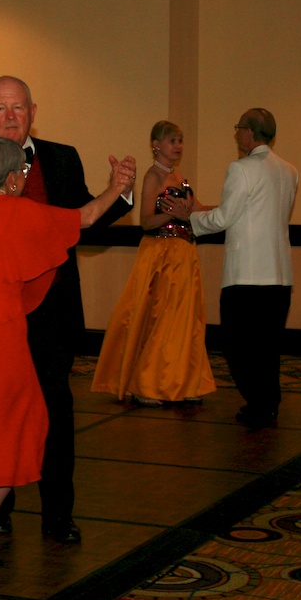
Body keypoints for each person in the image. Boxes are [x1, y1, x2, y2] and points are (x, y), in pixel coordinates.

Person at [0, 76, 135, 543]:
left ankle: (57, 517)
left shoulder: (62, 156)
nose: (10, 116)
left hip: (50, 310)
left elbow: (84, 219)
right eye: (0, 109)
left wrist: (123, 191)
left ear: (34, 111)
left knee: (51, 411)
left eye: (18, 108)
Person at [185, 109, 298, 428]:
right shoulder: (289, 171)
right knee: (268, 346)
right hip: (280, 273)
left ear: (250, 133)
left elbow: (224, 219)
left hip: (247, 274)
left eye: (238, 128)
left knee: (237, 345)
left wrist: (190, 218)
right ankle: (268, 403)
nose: (236, 134)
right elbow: (256, 214)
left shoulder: (240, 169)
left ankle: (258, 403)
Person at [91, 121, 216, 405]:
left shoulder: (178, 175)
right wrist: (174, 216)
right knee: (161, 317)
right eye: (173, 140)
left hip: (183, 255)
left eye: (181, 140)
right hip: (161, 254)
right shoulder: (152, 177)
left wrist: (231, 207)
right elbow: (146, 221)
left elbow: (197, 209)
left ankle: (182, 381)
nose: (179, 146)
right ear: (156, 145)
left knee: (184, 320)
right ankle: (146, 383)